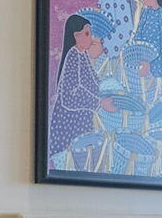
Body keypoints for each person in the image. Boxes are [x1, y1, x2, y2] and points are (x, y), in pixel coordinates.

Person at [45, 13, 116, 169]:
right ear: (75, 35)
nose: (91, 38)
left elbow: (92, 82)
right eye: (87, 33)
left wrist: (108, 90)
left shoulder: (82, 55)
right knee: (75, 162)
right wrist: (98, 103)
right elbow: (69, 97)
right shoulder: (72, 56)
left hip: (82, 122)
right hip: (69, 126)